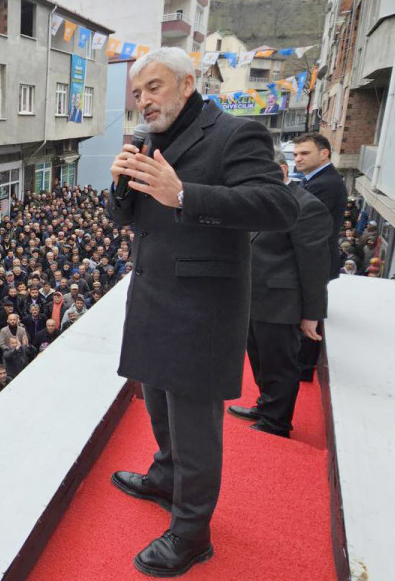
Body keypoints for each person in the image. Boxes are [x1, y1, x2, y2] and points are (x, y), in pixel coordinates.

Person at [107, 47, 297, 577]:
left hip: (201, 312)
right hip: (153, 298)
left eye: (154, 87)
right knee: (159, 409)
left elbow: (279, 207)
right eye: (138, 92)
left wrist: (186, 193)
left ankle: (192, 533)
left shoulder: (235, 133)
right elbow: (131, 217)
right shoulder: (152, 139)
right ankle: (165, 477)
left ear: (188, 84)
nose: (144, 100)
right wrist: (121, 184)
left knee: (195, 430)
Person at [229, 146, 331, 438]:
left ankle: (277, 422)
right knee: (260, 360)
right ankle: (265, 405)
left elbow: (314, 267)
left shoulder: (307, 207)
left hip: (281, 303)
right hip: (252, 299)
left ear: (282, 171)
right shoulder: (261, 201)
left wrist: (312, 315)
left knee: (280, 365)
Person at [291, 132, 347, 382]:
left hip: (316, 258)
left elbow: (305, 225)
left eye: (304, 153)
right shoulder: (320, 180)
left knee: (309, 310)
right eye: (295, 155)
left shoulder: (325, 184)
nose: (298, 159)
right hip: (319, 257)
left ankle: (303, 366)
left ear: (324, 154)